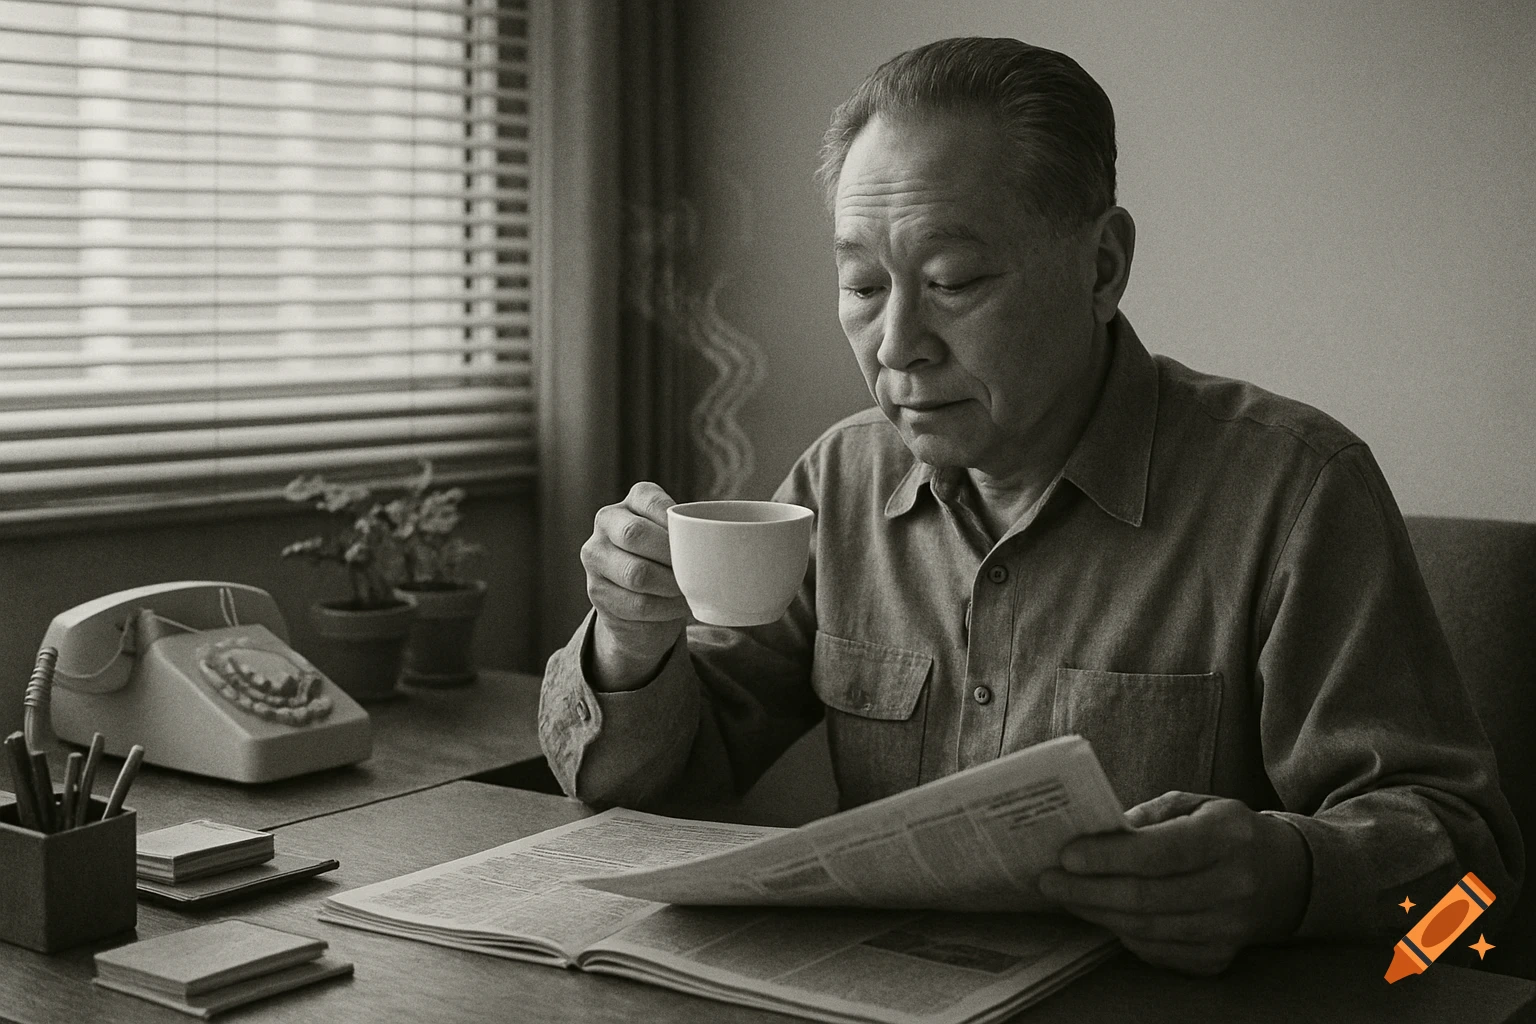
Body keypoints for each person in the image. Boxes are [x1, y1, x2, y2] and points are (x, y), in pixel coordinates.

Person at [539, 37, 1522, 975]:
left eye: (953, 281)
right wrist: (633, 644)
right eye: (863, 284)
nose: (896, 344)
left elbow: (1476, 885)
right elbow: (660, 784)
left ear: (1103, 268)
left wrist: (1290, 878)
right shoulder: (841, 483)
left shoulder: (1295, 492)